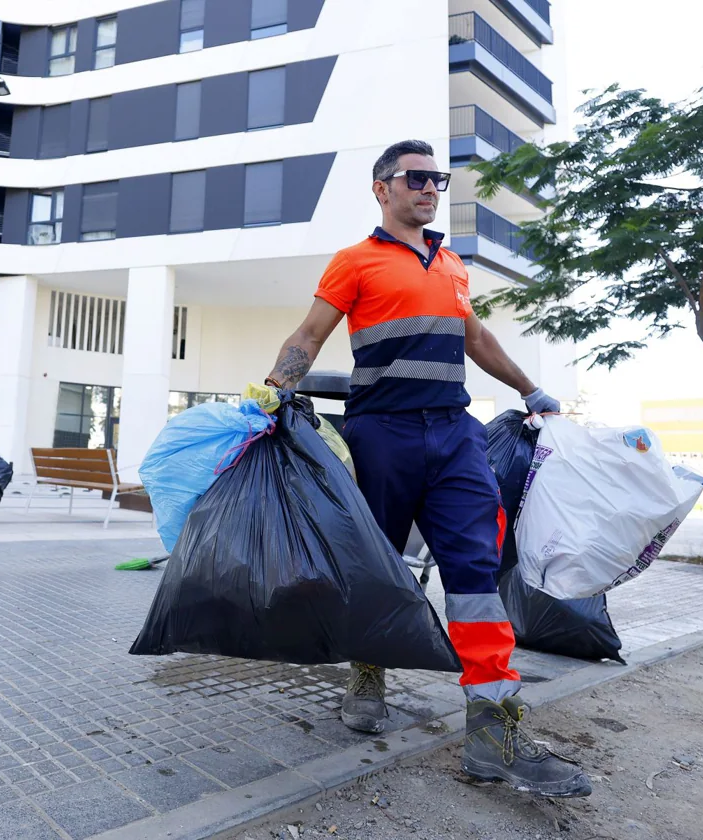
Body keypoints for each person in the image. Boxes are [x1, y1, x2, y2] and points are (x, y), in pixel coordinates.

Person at [257, 140, 590, 798]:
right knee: (375, 563)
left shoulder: (451, 263)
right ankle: (368, 671)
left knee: (474, 569)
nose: (431, 186)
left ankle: (493, 732)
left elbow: (477, 339)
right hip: (382, 433)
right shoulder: (356, 261)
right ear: (382, 188)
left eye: (437, 177)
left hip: (455, 433)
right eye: (416, 177)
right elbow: (309, 335)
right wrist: (272, 388)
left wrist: (531, 389)